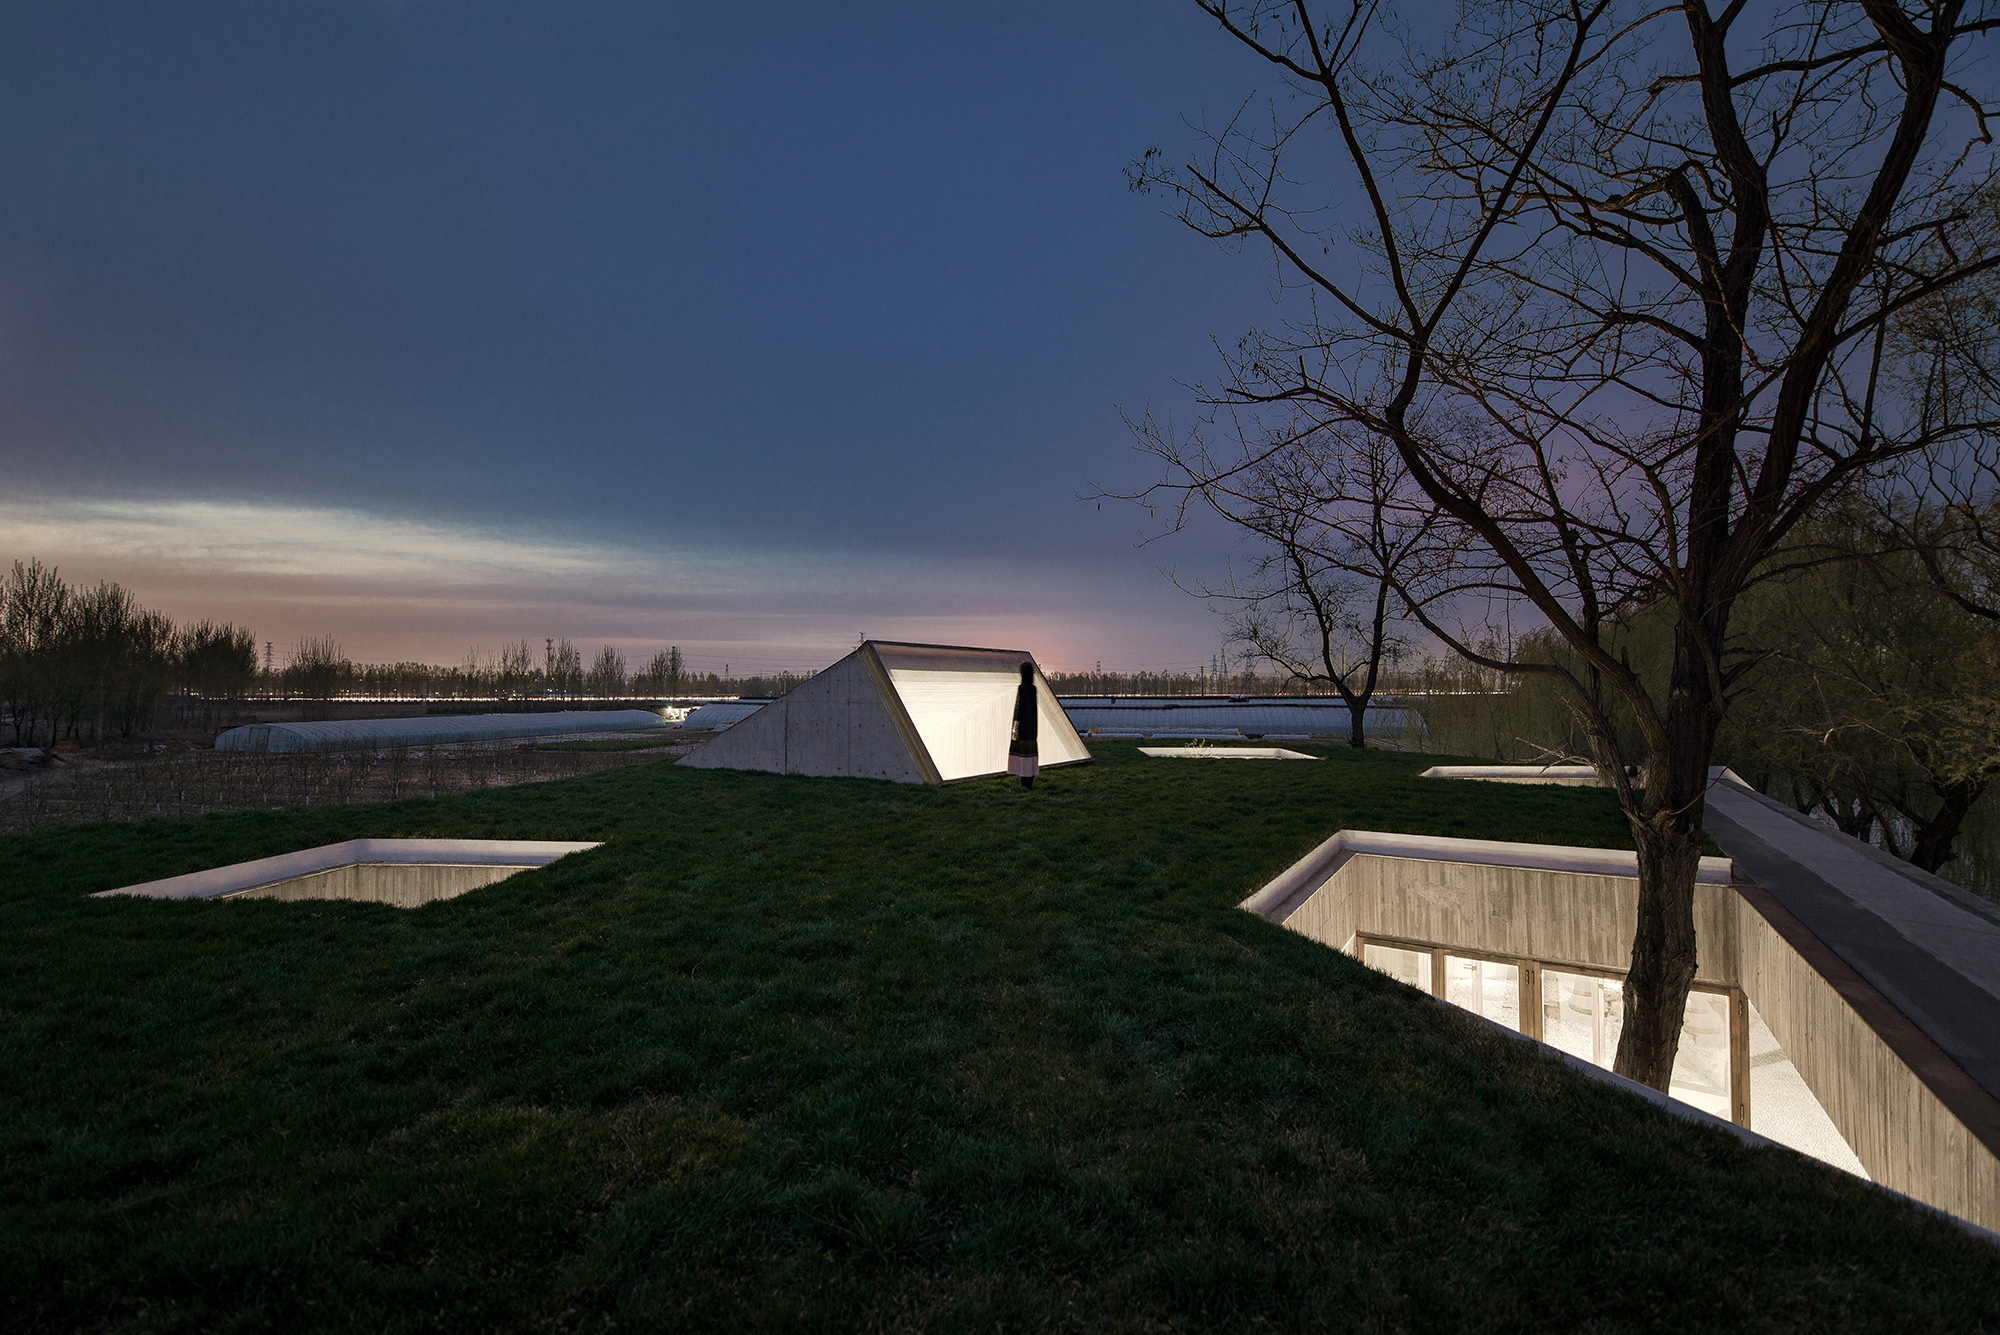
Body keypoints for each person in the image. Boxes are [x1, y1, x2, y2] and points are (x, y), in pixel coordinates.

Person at [1008, 660, 1039, 790]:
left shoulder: (1022, 688)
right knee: (1031, 754)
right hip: (1032, 727)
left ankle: (1023, 783)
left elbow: (1019, 709)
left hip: (1024, 727)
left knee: (1022, 755)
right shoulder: (1033, 689)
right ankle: (1030, 782)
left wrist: (1016, 727)